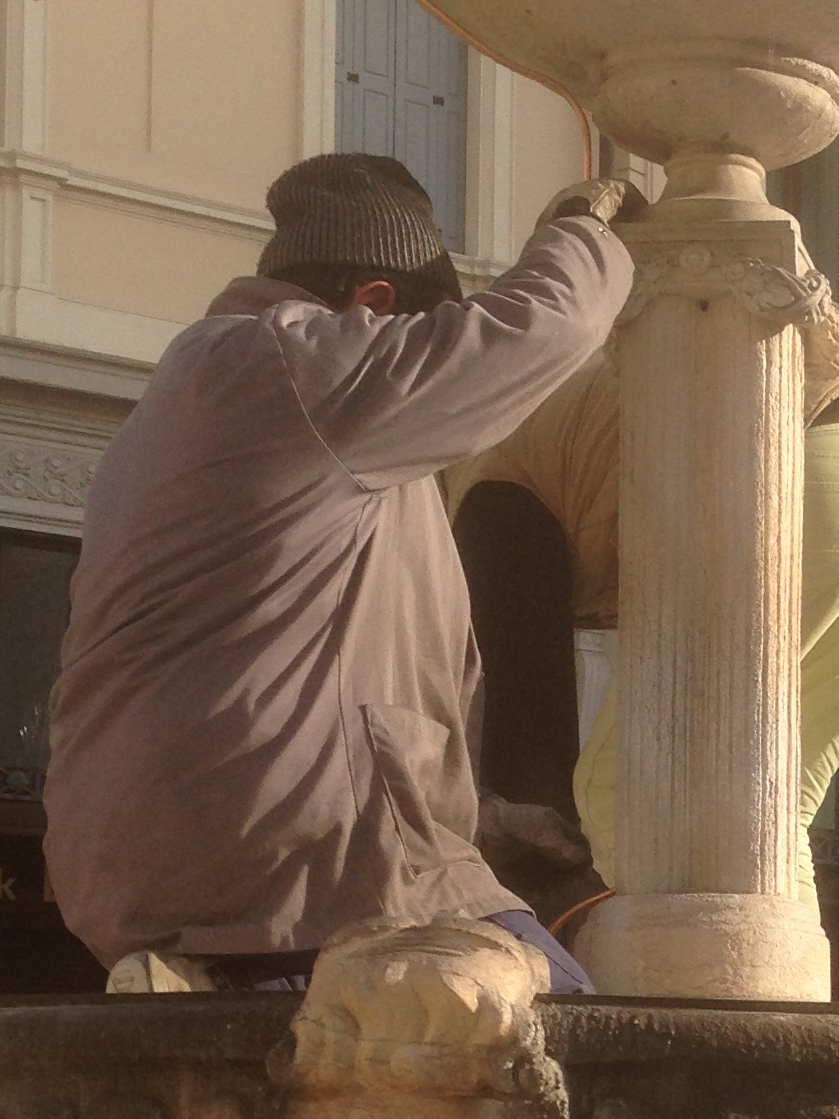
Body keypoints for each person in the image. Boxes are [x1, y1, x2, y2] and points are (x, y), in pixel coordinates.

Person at [43, 153, 634, 991]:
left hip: (186, 871)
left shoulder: (215, 399)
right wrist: (586, 229)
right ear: (373, 304)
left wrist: (483, 821)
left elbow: (297, 679)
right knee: (596, 1062)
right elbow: (549, 328)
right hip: (303, 874)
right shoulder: (292, 364)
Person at [447, 309, 839, 915]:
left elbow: (528, 722)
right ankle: (774, 1000)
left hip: (801, 470)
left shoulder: (482, 480)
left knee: (626, 789)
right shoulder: (540, 427)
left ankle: (650, 1003)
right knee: (774, 808)